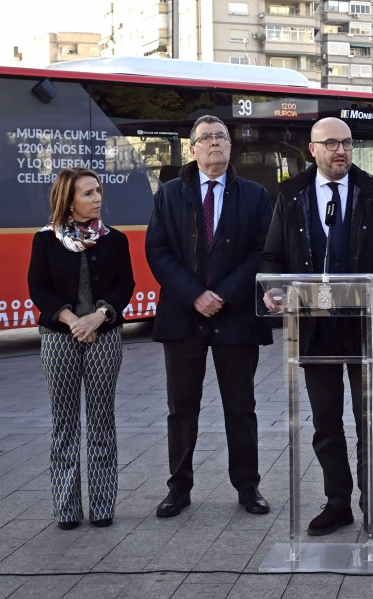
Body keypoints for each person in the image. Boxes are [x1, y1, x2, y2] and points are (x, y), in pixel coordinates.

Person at [260, 117, 373, 544]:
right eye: (330, 144)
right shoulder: (292, 194)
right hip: (314, 328)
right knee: (326, 422)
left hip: (364, 327)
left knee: (371, 423)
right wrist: (273, 287)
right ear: (313, 149)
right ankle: (337, 502)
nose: (340, 151)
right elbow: (273, 255)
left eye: (346, 143)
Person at [145, 115, 274, 518]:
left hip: (235, 316)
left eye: (221, 137)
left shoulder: (254, 194)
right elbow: (158, 251)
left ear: (230, 147)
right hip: (184, 317)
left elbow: (261, 251)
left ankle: (248, 487)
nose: (215, 143)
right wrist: (195, 295)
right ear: (192, 148)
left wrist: (222, 294)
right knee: (182, 407)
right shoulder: (168, 194)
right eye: (206, 138)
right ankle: (178, 489)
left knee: (241, 407)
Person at [27, 168, 134, 530]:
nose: (97, 198)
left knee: (103, 422)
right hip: (60, 337)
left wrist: (98, 317)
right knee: (65, 424)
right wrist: (74, 320)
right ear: (68, 201)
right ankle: (66, 509)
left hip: (103, 336)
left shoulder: (115, 240)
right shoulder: (45, 240)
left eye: (99, 191)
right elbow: (38, 288)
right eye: (88, 193)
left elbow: (125, 286)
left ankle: (103, 506)